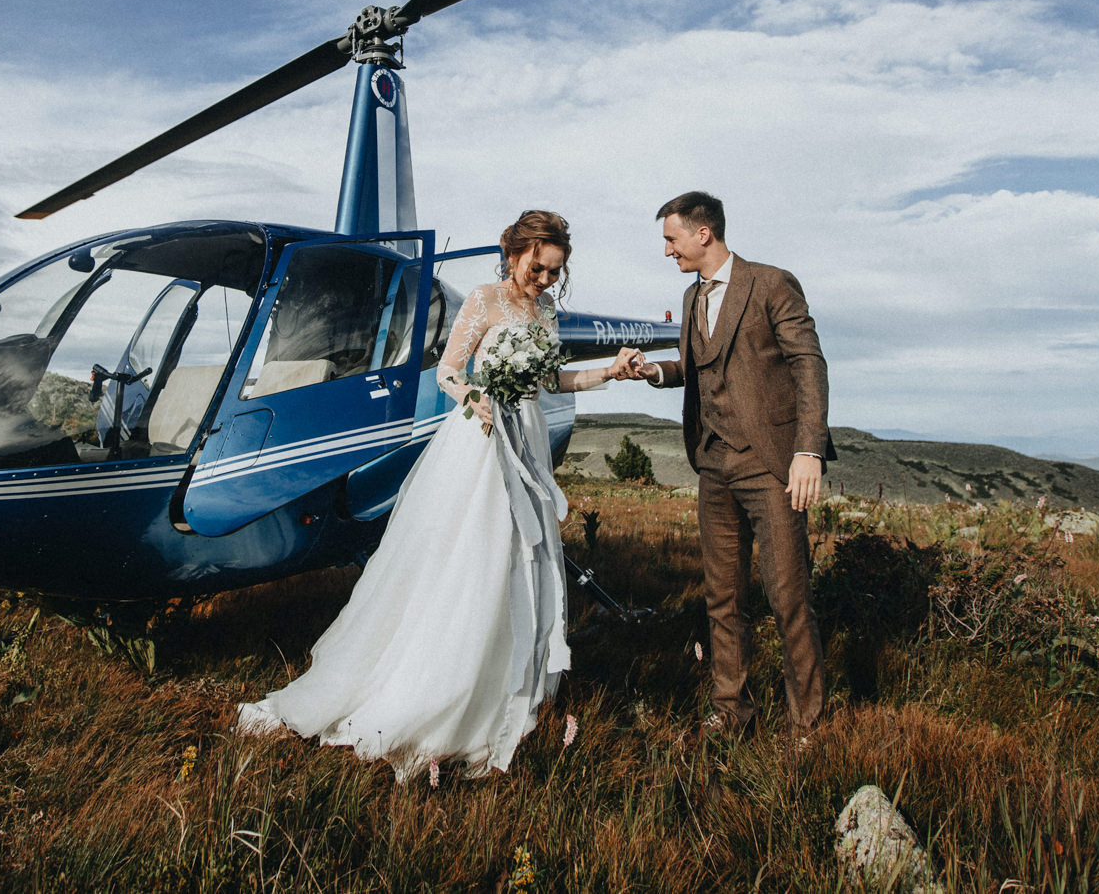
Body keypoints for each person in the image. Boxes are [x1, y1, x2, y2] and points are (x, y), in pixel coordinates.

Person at [236, 210, 641, 780]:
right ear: (514, 251)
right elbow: (448, 371)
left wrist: (610, 373)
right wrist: (475, 399)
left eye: (554, 272)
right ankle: (440, 686)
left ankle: (502, 681)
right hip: (480, 440)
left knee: (515, 559)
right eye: (538, 267)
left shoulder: (546, 312)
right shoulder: (483, 300)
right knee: (469, 557)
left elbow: (555, 381)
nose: (544, 280)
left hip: (524, 437)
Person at [618, 191, 831, 742]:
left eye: (671, 239)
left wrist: (808, 451)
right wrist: (653, 372)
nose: (668, 251)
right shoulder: (692, 299)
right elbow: (694, 367)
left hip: (770, 466)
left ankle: (806, 722)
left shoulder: (771, 283)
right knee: (722, 596)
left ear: (702, 233)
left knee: (787, 596)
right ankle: (731, 709)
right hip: (712, 466)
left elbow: (809, 365)